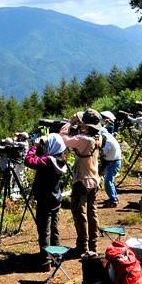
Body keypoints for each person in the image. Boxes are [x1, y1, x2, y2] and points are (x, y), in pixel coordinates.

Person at [60, 109, 102, 256]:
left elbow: (62, 140)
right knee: (92, 212)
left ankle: (82, 246)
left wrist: (70, 123)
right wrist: (81, 127)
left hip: (81, 181)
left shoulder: (83, 139)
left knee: (79, 213)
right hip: (94, 180)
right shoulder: (98, 136)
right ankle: (93, 244)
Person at [23, 134, 67, 271]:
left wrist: (33, 147)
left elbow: (28, 161)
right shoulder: (58, 159)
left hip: (45, 199)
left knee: (44, 230)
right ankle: (57, 255)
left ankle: (45, 261)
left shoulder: (48, 161)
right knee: (54, 229)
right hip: (55, 199)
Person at [100, 128, 122, 208]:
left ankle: (113, 201)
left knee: (108, 182)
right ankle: (114, 197)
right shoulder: (111, 138)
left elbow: (102, 152)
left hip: (113, 163)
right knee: (110, 182)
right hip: (114, 162)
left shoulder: (109, 142)